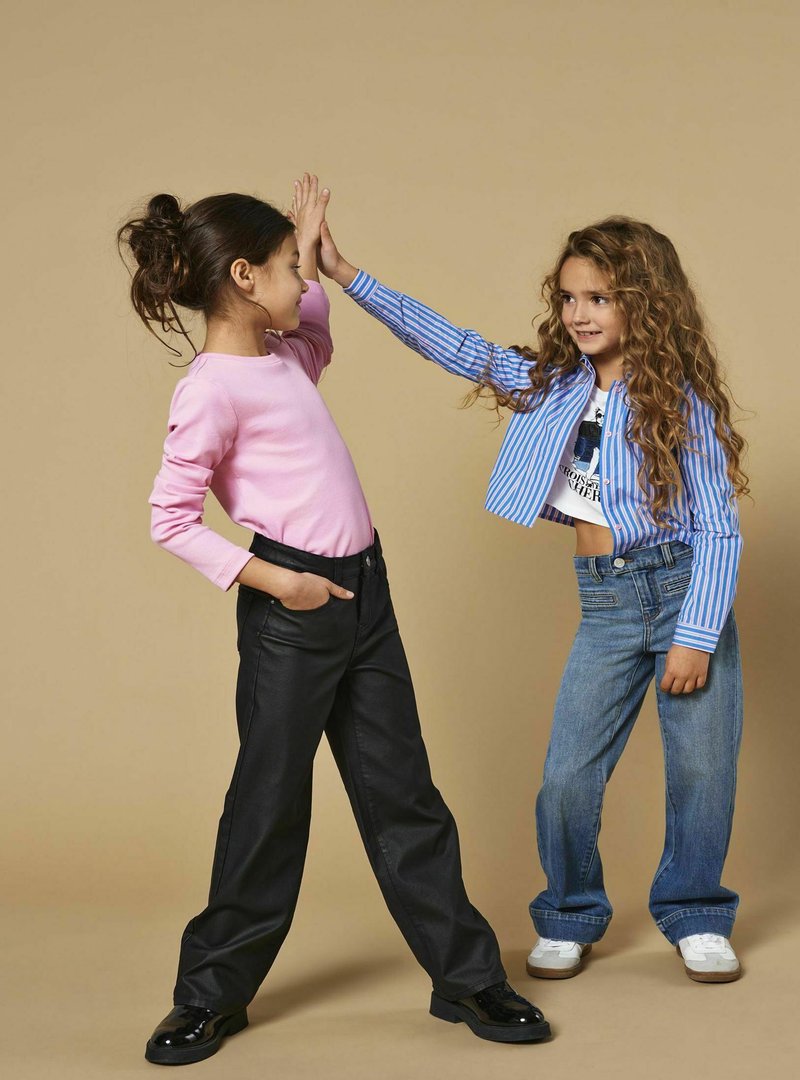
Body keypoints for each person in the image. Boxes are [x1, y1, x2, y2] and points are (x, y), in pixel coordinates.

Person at [117, 175, 551, 1065]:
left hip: (367, 593)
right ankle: (208, 997)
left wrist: (314, 252)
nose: (298, 280)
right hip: (297, 608)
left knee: (406, 797)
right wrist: (279, 584)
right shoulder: (211, 389)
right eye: (284, 267)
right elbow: (170, 518)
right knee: (269, 805)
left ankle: (466, 978)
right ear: (242, 277)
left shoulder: (286, 355)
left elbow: (312, 323)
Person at [318, 212, 747, 985]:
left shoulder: (683, 402)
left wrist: (698, 635)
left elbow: (719, 528)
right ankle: (572, 912)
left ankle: (697, 913)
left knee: (702, 773)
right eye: (569, 296)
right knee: (567, 777)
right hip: (608, 604)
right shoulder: (551, 386)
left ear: (645, 305)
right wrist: (350, 276)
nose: (579, 314)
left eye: (600, 298)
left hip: (685, 592)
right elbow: (458, 348)